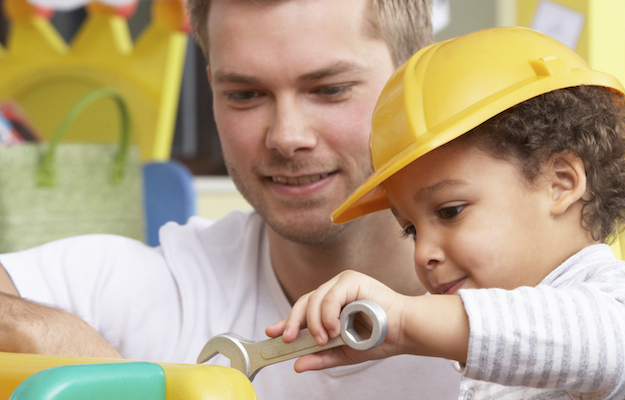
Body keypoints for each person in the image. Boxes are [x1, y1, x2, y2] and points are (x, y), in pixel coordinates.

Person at [0, 0, 462, 398]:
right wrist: (44, 330)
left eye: (329, 90)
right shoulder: (165, 285)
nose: (287, 136)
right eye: (245, 94)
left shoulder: (523, 307)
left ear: (411, 83)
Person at [268, 27, 625, 399]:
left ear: (561, 182)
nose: (423, 255)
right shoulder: (506, 337)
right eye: (411, 230)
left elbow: (610, 346)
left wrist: (402, 320)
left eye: (451, 211)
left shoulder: (621, 302)